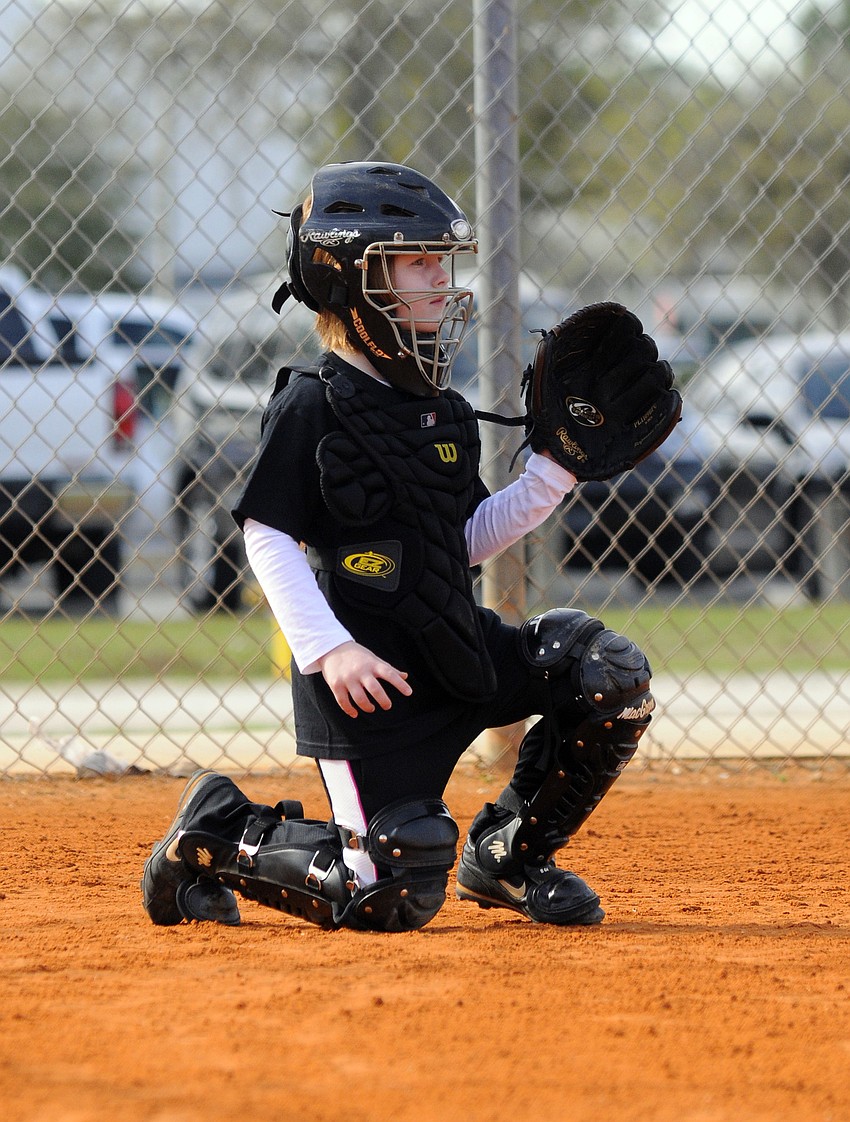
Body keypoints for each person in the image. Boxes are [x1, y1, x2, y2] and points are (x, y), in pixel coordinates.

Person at [141, 160, 655, 933]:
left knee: (605, 676)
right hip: (368, 691)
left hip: (454, 650)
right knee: (388, 892)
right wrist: (328, 651)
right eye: (417, 263)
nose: (442, 283)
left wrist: (553, 474)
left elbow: (462, 541)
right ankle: (216, 831)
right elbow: (268, 535)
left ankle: (510, 858)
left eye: (443, 263)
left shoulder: (439, 408)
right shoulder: (311, 406)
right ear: (351, 279)